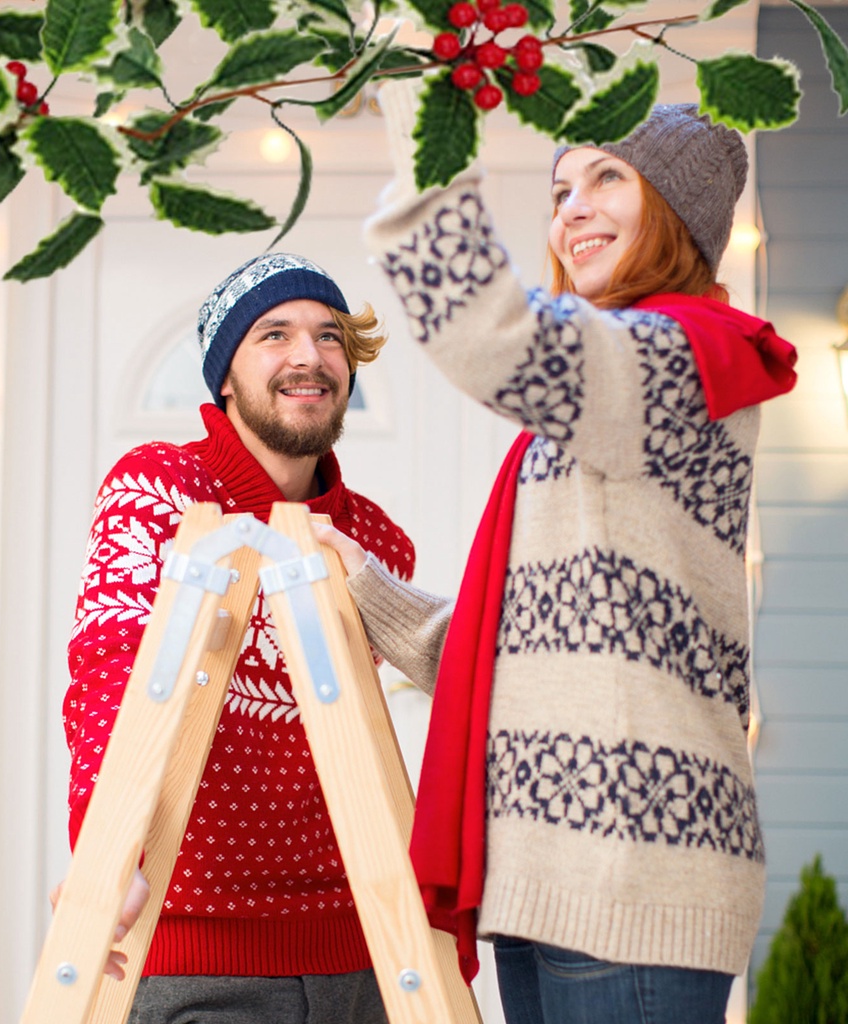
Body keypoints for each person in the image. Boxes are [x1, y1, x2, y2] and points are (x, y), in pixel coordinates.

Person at [317, 93, 799, 1024]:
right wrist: (366, 591)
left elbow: (495, 335)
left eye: (607, 178)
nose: (570, 207)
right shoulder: (611, 398)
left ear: (678, 211)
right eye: (559, 188)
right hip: (549, 877)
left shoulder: (680, 365)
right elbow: (522, 651)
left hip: (628, 875)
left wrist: (433, 124)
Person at [63, 252, 414, 1023]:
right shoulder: (158, 486)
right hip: (196, 953)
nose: (309, 356)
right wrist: (108, 848)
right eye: (274, 334)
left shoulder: (378, 543)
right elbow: (111, 666)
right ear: (225, 375)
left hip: (366, 953)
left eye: (329, 337)